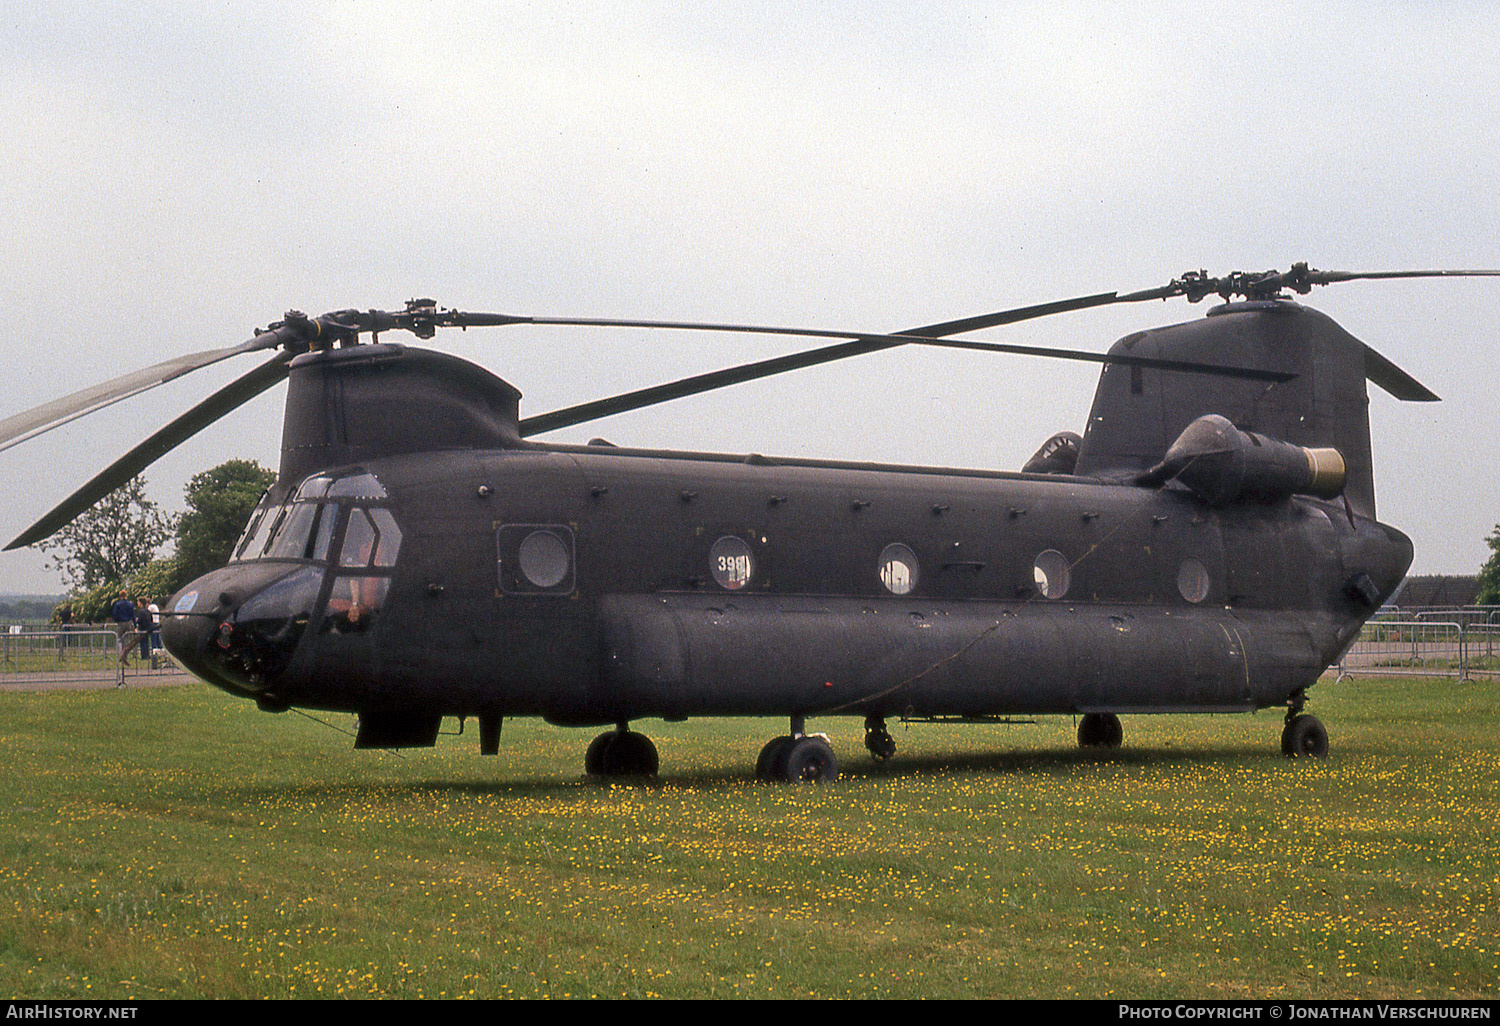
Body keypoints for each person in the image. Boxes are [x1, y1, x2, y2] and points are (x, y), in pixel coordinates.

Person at [110, 591, 136, 668]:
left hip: (120, 623)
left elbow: (115, 614)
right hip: (128, 622)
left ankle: (120, 655)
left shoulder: (117, 604)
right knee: (126, 640)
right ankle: (125, 655)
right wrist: (135, 625)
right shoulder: (130, 604)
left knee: (119, 639)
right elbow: (133, 615)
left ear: (120, 596)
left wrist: (117, 620)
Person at [135, 596, 154, 663]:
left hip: (142, 628)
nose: (137, 603)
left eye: (138, 602)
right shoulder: (148, 611)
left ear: (141, 603)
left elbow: (139, 620)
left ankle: (144, 655)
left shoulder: (140, 611)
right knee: (147, 642)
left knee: (143, 643)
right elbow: (151, 619)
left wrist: (137, 621)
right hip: (148, 628)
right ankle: (147, 654)